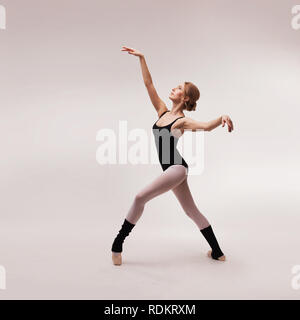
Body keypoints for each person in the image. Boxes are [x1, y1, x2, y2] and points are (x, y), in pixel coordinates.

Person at [111, 46, 234, 266]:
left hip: (176, 168)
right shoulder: (162, 111)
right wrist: (142, 58)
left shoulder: (182, 121)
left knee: (140, 197)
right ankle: (217, 252)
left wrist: (222, 116)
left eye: (178, 88)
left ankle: (117, 244)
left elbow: (206, 126)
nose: (173, 89)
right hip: (172, 170)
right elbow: (149, 85)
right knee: (191, 211)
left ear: (185, 97)